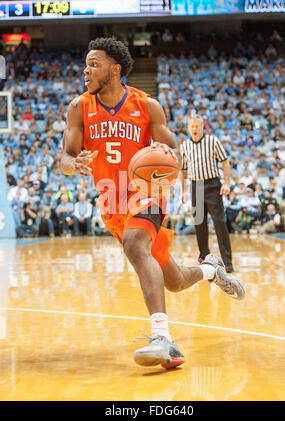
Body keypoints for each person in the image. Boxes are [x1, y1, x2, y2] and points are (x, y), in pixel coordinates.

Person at [60, 37, 245, 369]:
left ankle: (163, 338)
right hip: (111, 201)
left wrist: (160, 162)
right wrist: (72, 164)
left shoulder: (147, 105)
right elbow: (65, 156)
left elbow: (173, 151)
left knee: (135, 242)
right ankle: (210, 269)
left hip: (147, 192)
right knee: (173, 280)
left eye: (93, 64)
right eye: (86, 64)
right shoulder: (78, 107)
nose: (86, 70)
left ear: (115, 69)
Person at [180, 115, 235, 273]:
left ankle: (227, 262)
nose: (195, 129)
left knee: (219, 223)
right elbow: (183, 171)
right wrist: (183, 191)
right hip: (196, 186)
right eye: (192, 126)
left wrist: (226, 183)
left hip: (212, 185)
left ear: (202, 126)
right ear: (188, 128)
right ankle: (204, 258)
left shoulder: (213, 141)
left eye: (197, 126)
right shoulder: (184, 146)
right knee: (199, 224)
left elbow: (225, 163)